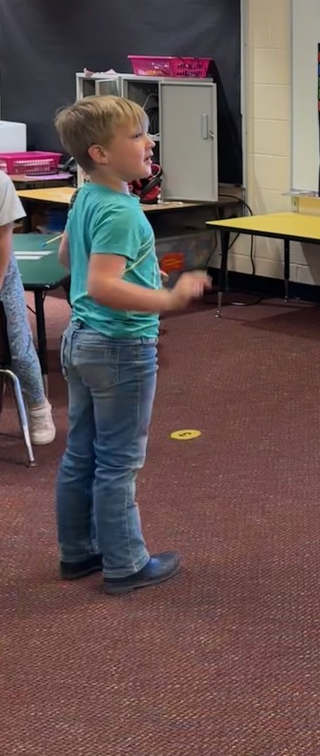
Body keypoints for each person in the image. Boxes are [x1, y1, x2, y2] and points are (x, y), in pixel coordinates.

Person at [52, 95, 210, 594]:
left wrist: (137, 271)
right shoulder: (123, 212)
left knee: (81, 453)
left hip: (81, 340)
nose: (150, 143)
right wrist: (170, 297)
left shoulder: (85, 197)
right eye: (137, 135)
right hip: (120, 347)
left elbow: (68, 257)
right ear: (100, 153)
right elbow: (103, 285)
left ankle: (78, 553)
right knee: (118, 461)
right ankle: (125, 564)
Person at [0, 172, 56, 445]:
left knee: (17, 346)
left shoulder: (1, 183)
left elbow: (3, 237)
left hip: (1, 274)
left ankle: (38, 406)